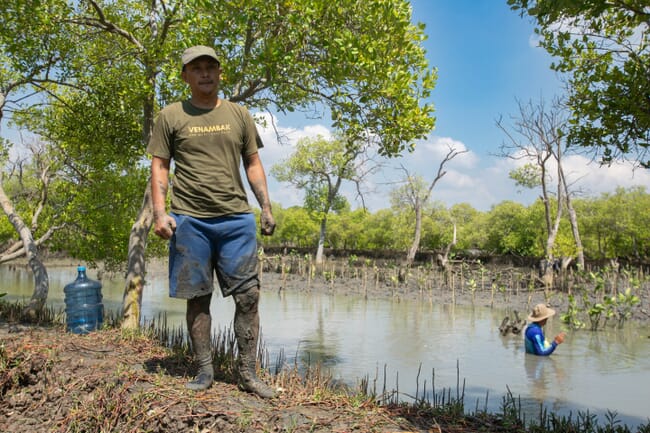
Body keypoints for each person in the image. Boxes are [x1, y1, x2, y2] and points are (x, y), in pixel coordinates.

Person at [148, 45, 276, 398]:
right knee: (198, 297)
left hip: (236, 219)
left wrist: (265, 206)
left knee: (248, 297)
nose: (205, 73)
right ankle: (205, 371)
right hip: (190, 219)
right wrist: (160, 214)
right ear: (185, 76)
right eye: (196, 68)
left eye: (211, 67)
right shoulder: (170, 116)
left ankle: (248, 375)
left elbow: (252, 162)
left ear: (220, 74)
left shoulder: (239, 114)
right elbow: (160, 166)